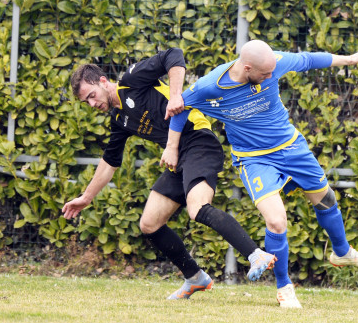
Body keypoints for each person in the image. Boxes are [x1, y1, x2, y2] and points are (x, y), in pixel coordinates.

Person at [162, 40, 358, 308]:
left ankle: (342, 251)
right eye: (265, 75)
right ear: (247, 68)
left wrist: (350, 58)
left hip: (291, 147)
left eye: (272, 73)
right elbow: (179, 108)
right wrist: (172, 148)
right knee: (277, 222)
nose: (270, 77)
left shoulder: (273, 63)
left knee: (325, 199)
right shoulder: (211, 86)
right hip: (254, 160)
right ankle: (284, 287)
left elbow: (309, 59)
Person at [62, 48, 276, 300]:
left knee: (198, 208)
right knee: (149, 224)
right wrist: (86, 198)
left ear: (103, 81)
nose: (92, 103)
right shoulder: (119, 120)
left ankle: (255, 254)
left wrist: (176, 97)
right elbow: (109, 162)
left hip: (198, 141)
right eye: (85, 102)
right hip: (177, 158)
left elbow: (173, 56)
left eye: (91, 95)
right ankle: (195, 277)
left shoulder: (132, 80)